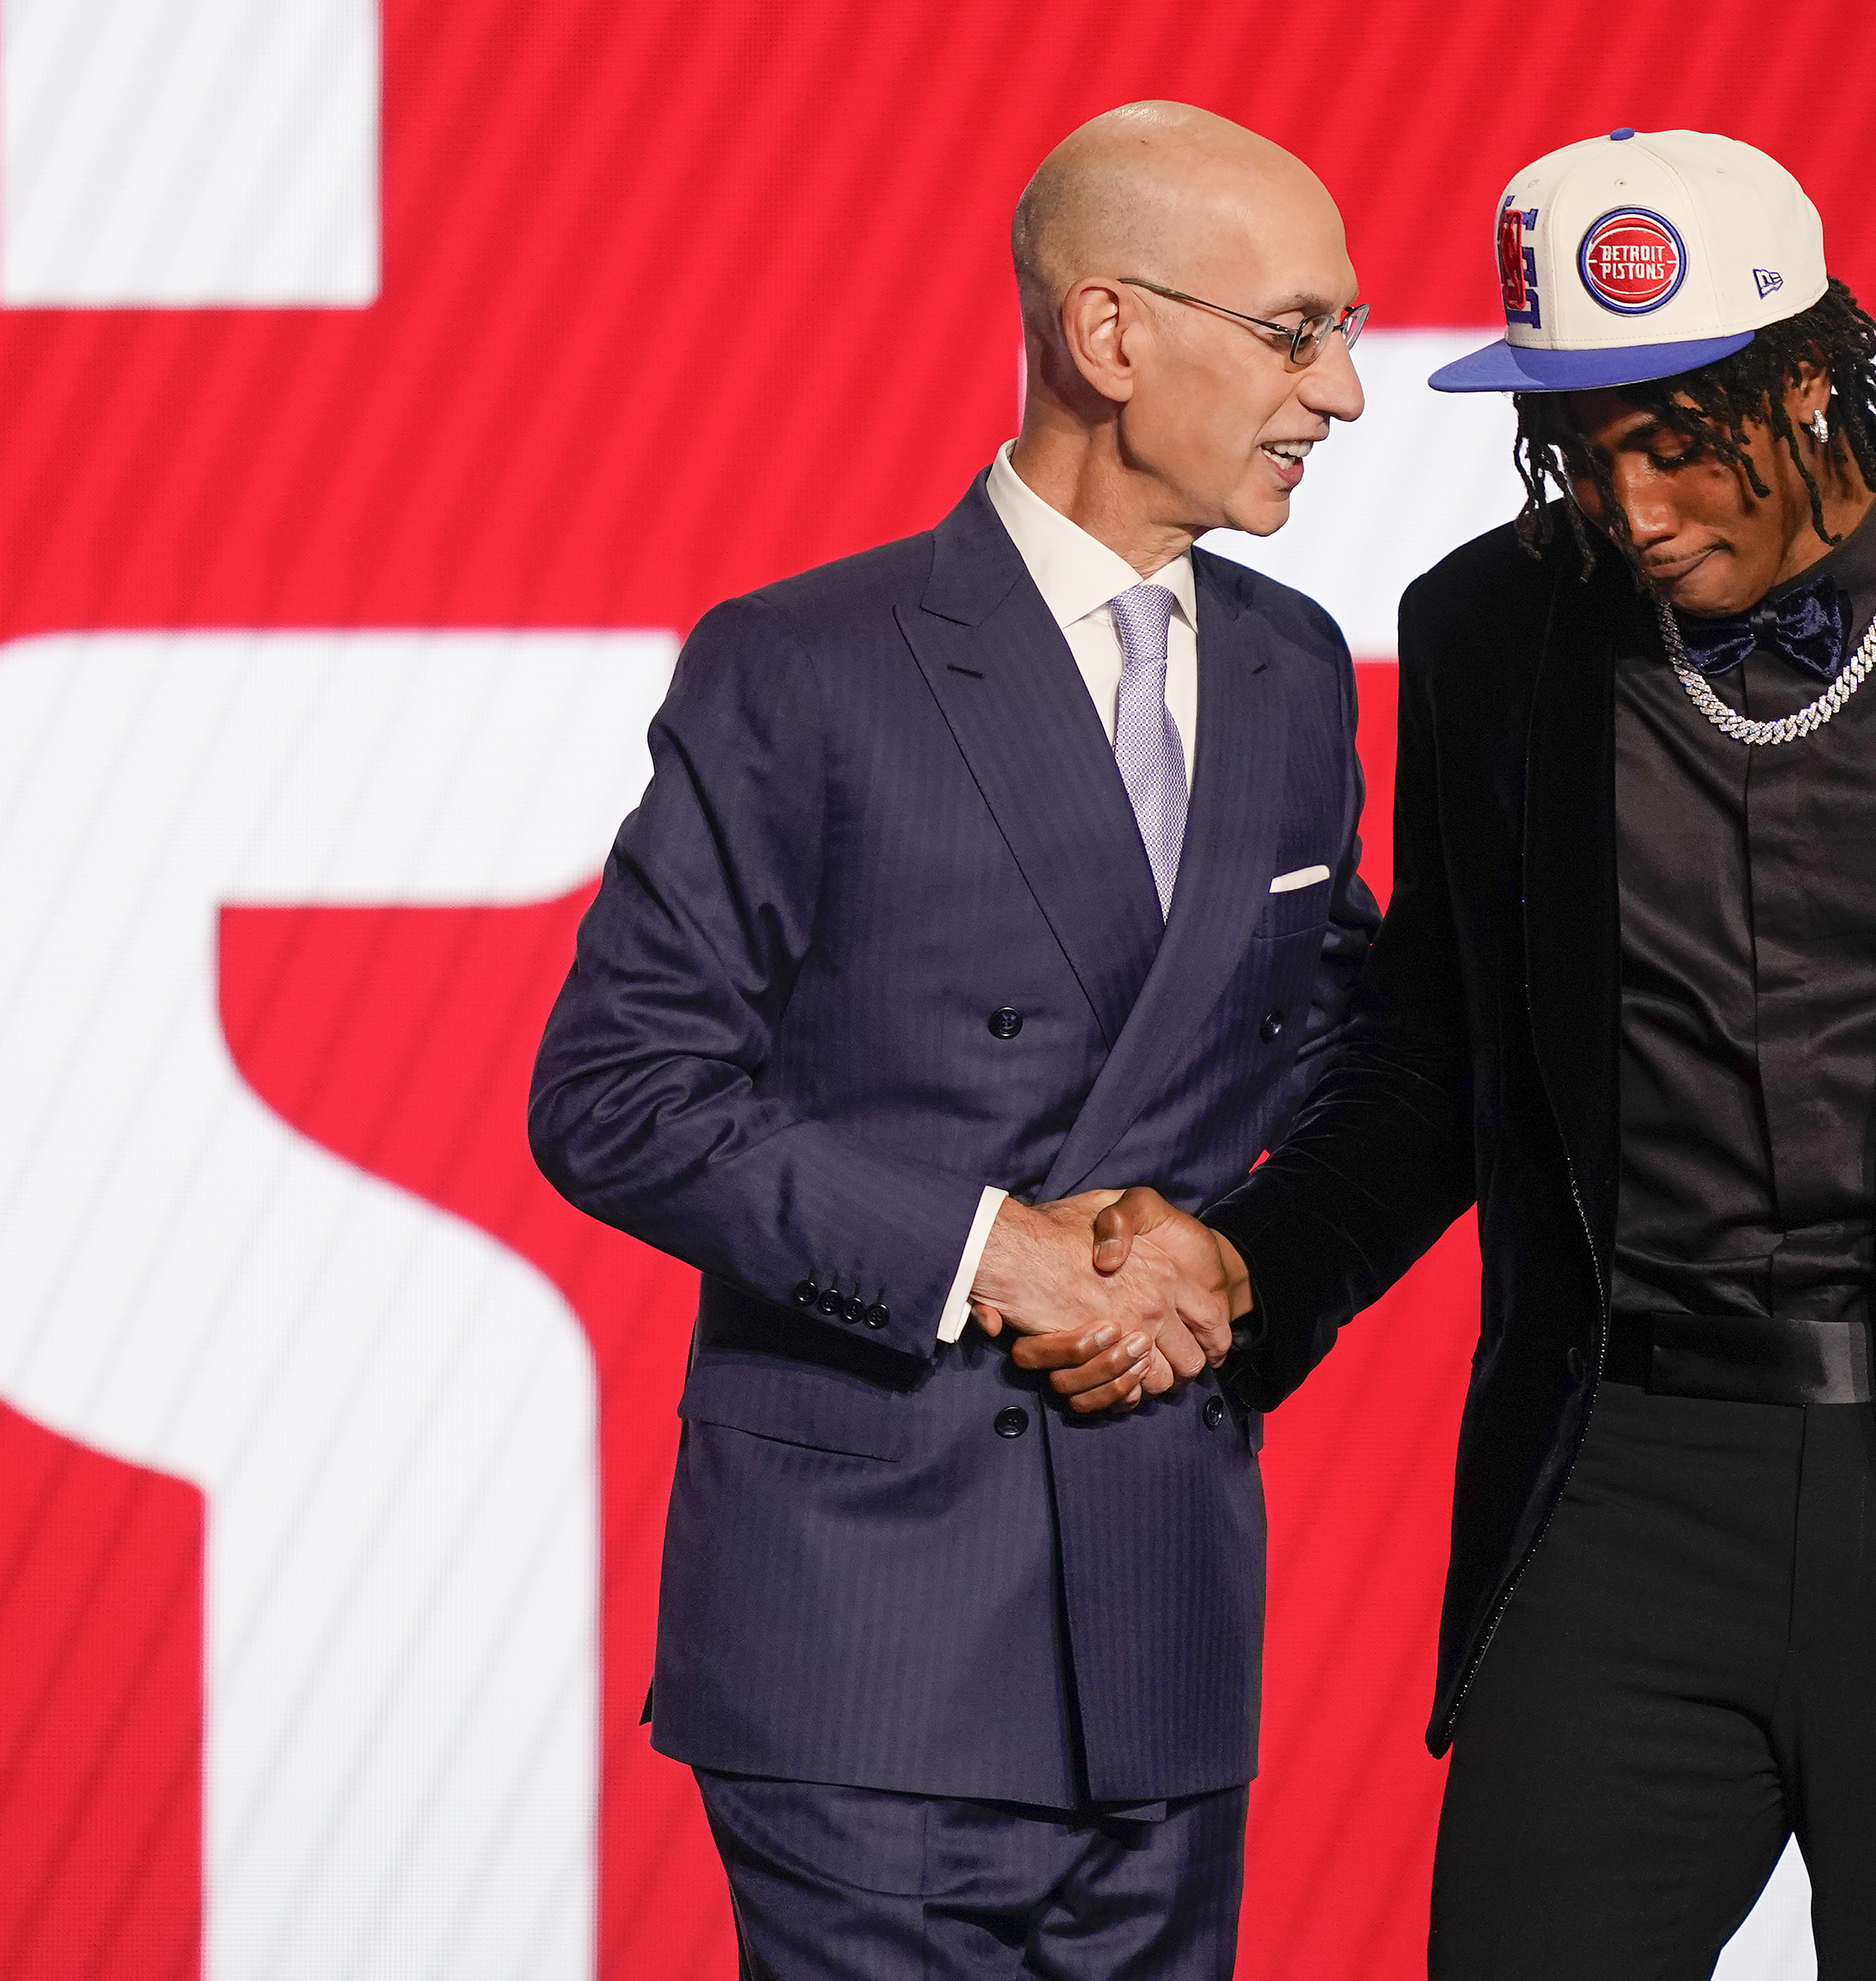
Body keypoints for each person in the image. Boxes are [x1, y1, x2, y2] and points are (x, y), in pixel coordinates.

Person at [1052, 129, 1876, 1978]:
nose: (1636, 507)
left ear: (1815, 373)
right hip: (1617, 1485)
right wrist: (1251, 1259)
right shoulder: (1489, 632)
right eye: (1583, 455)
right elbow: (1436, 1063)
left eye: (1676, 440)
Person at [527, 100, 1377, 1978]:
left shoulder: (1298, 667)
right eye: (1296, 330)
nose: (1344, 393)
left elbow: (1340, 1061)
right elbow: (615, 1092)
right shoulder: (807, 663)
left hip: (1160, 1591)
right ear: (1110, 332)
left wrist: (1222, 1267)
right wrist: (990, 1254)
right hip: (871, 1620)